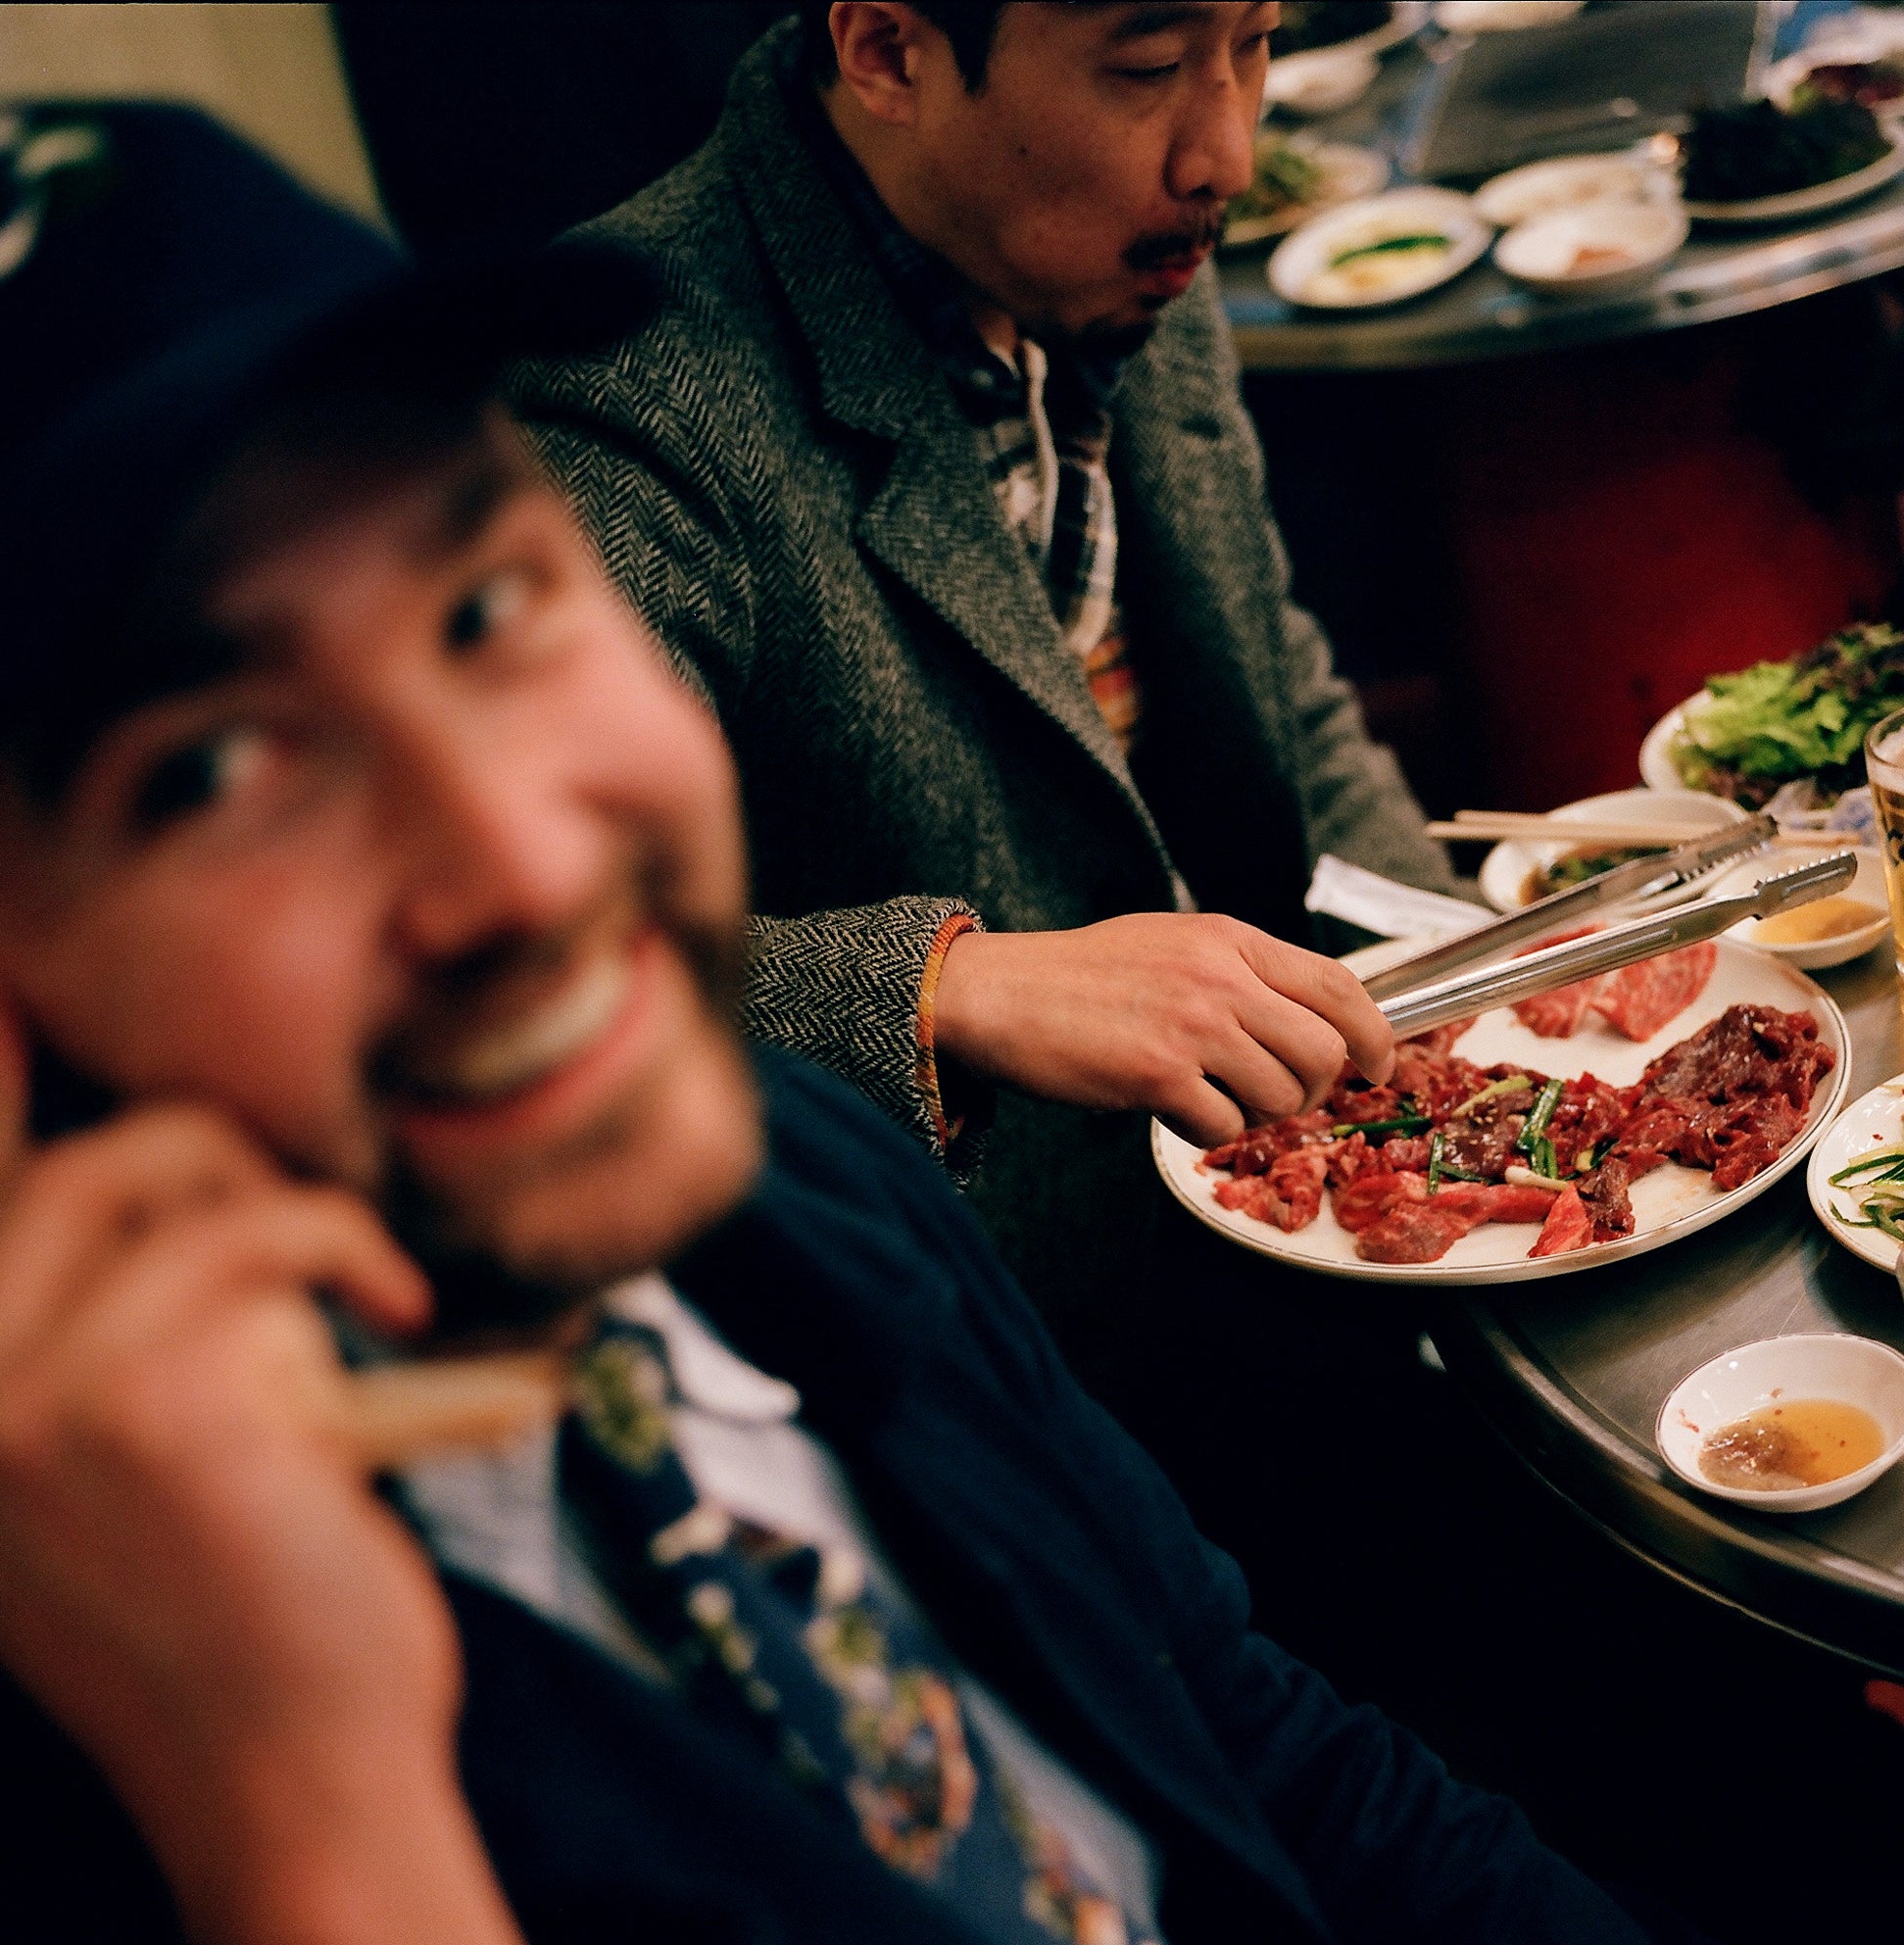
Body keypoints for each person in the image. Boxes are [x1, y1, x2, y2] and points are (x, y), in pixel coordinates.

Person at [0, 100, 1904, 1945]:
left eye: (484, 609)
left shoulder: (779, 1185)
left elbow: (1248, 1742)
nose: (526, 856)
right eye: (213, 772)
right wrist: (351, 1915)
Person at [506, 2, 1464, 1407]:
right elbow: (534, 987)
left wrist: (1478, 979)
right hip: (968, 1353)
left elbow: (1276, 695)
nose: (1226, 153)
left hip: (1282, 1237)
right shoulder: (624, 385)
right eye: (1147, 67)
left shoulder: (1108, 242)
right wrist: (956, 988)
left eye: (1253, 43)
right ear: (889, 52)